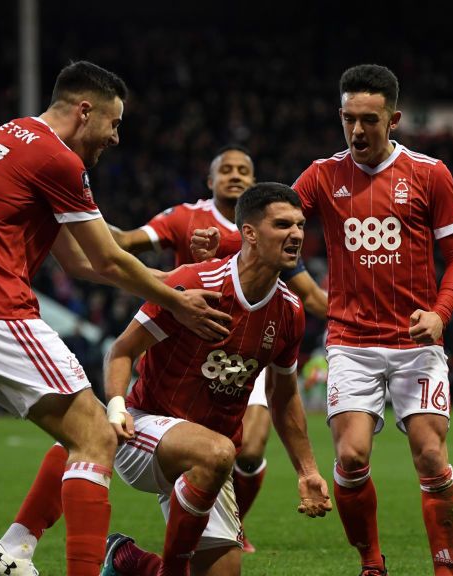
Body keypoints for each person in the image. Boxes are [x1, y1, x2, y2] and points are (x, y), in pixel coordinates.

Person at [0, 61, 230, 576]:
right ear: (84, 110)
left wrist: (171, 277)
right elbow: (110, 260)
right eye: (113, 123)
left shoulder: (10, 138)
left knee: (80, 433)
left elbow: (81, 262)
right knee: (98, 436)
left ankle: (14, 549)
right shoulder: (57, 158)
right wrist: (178, 299)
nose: (115, 137)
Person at [291, 64, 453, 576]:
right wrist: (228, 243)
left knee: (431, 458)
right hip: (350, 340)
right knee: (350, 460)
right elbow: (273, 221)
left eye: (369, 120)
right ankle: (372, 562)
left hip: (415, 341)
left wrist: (441, 315)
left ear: (393, 119)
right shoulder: (324, 174)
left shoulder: (429, 173)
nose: (357, 131)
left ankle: (444, 570)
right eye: (348, 118)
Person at [100, 182, 331, 576]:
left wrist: (308, 471)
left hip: (210, 455)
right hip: (143, 428)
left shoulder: (289, 312)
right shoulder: (194, 283)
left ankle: (128, 560)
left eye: (299, 225)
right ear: (251, 234)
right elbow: (121, 351)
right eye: (282, 224)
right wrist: (116, 407)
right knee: (220, 452)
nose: (295, 234)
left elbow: (284, 396)